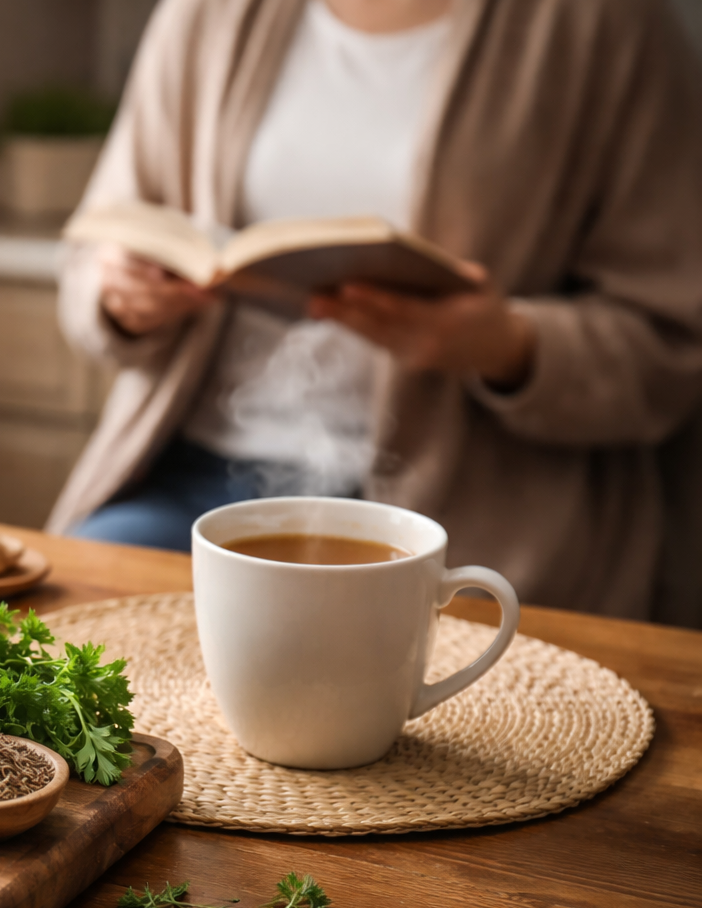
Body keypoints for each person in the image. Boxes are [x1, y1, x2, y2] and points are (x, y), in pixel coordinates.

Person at [48, 0, 702, 619]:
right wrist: (120, 298)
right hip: (190, 479)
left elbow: (674, 346)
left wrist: (507, 346)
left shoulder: (605, 25)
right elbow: (93, 257)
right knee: (69, 626)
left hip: (470, 508)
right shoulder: (208, 15)